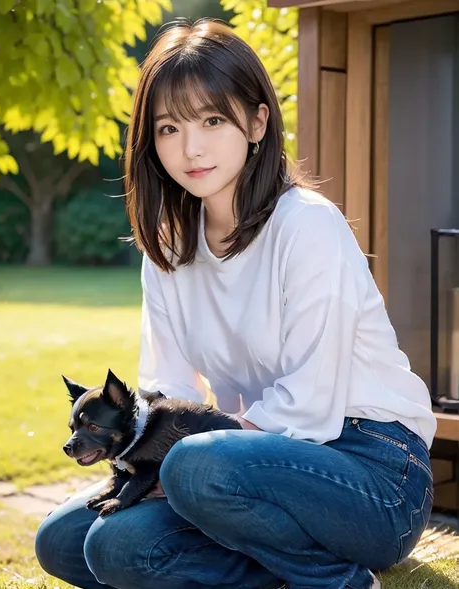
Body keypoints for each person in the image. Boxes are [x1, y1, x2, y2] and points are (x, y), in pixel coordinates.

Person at [35, 18, 437, 589]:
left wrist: (192, 458)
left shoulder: (307, 227)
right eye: (169, 127)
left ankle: (333, 578)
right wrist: (148, 468)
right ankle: (268, 564)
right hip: (238, 466)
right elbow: (165, 394)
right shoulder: (169, 248)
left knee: (193, 464)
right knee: (77, 543)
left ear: (256, 121)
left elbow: (310, 403)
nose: (191, 148)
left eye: (213, 119)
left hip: (370, 467)